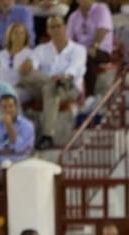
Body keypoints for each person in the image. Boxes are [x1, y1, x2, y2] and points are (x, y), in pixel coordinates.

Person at [22, 15, 86, 150]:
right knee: (35, 79)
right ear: (48, 31)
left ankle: (48, 135)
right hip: (47, 86)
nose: (56, 29)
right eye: (53, 27)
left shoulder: (79, 49)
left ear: (65, 28)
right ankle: (47, 137)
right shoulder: (41, 49)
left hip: (69, 88)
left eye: (59, 26)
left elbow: (73, 70)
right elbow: (32, 65)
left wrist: (64, 78)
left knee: (51, 88)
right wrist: (29, 65)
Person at [66, 0, 112, 97]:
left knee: (87, 57)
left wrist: (94, 46)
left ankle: (89, 96)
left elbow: (102, 29)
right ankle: (70, 94)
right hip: (81, 50)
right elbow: (69, 39)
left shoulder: (101, 9)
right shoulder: (73, 16)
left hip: (101, 49)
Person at [0, 93, 35, 166]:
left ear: (16, 107)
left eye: (10, 106)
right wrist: (8, 150)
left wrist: (9, 126)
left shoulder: (27, 125)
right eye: (4, 107)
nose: (8, 110)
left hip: (20, 164)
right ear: (0, 109)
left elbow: (21, 147)